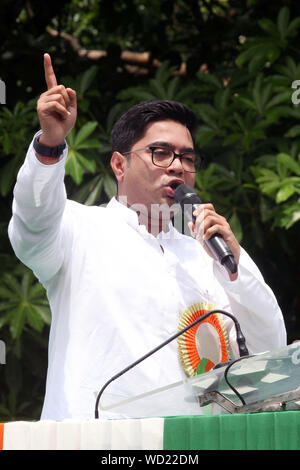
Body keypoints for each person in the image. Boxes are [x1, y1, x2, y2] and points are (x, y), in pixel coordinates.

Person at [8, 54, 286, 421]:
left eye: (187, 158)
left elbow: (270, 349)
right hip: (99, 442)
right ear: (119, 165)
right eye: (160, 153)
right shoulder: (79, 230)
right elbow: (33, 223)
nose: (176, 166)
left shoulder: (207, 255)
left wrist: (236, 268)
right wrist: (50, 144)